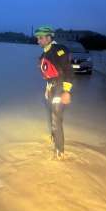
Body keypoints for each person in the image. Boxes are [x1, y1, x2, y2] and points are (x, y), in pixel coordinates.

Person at [34, 26, 73, 160]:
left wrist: (67, 91)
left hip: (60, 88)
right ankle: (54, 136)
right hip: (51, 88)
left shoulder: (59, 50)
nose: (38, 40)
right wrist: (47, 87)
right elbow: (49, 73)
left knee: (56, 118)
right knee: (53, 115)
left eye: (40, 38)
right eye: (37, 38)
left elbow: (68, 71)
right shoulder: (45, 53)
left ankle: (59, 151)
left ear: (49, 38)